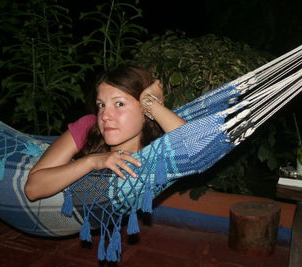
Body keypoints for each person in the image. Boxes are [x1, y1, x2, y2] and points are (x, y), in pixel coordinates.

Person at [24, 65, 186, 201]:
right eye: (101, 105)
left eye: (119, 104)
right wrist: (91, 162)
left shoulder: (158, 148)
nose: (105, 116)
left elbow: (193, 145)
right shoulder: (89, 126)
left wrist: (152, 104)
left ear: (144, 110)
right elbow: (33, 189)